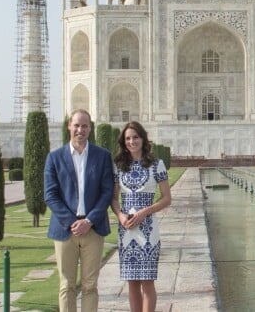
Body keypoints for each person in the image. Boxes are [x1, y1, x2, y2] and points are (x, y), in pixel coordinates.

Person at [44, 109, 114, 312]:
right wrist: (73, 222)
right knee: (66, 285)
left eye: (84, 126)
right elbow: (50, 195)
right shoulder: (55, 157)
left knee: (90, 285)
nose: (80, 130)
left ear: (90, 128)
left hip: (93, 229)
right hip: (65, 230)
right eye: (76, 125)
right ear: (69, 127)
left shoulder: (102, 156)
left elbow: (106, 191)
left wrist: (89, 221)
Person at [111, 121, 172, 312]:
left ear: (143, 138)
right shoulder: (119, 166)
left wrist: (145, 212)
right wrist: (120, 216)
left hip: (148, 230)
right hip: (127, 230)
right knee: (132, 283)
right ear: (123, 142)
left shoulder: (156, 164)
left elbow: (167, 198)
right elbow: (113, 198)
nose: (132, 141)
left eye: (135, 137)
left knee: (147, 282)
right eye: (128, 138)